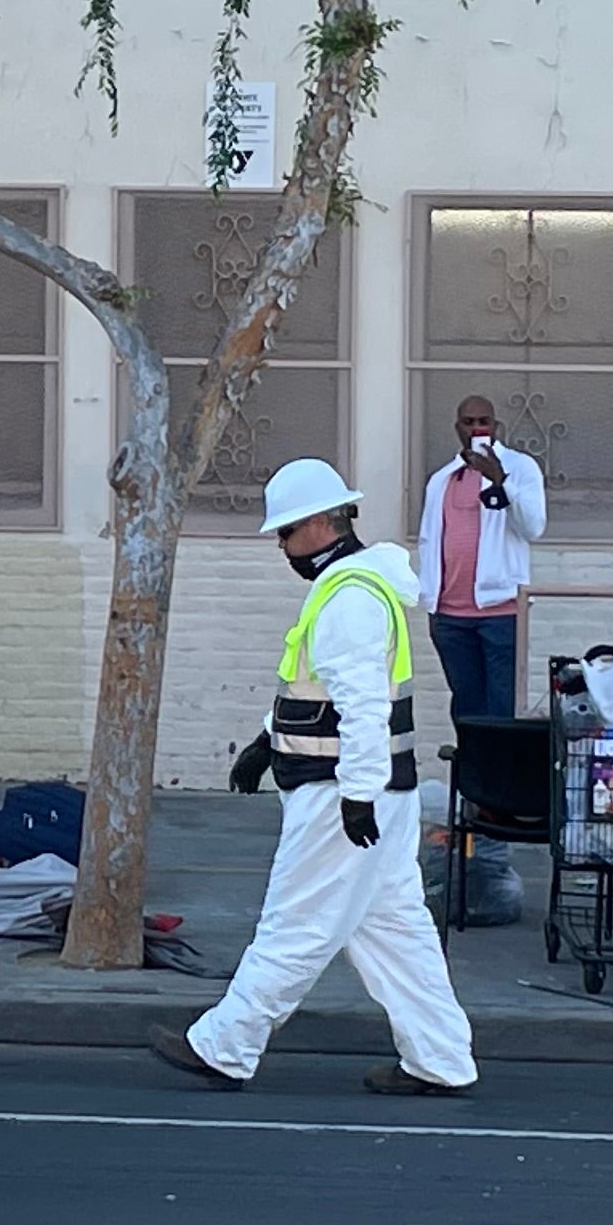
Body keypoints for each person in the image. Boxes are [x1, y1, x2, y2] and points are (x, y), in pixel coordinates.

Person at [156, 457, 478, 1099]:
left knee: (296, 922)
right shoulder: (354, 587)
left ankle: (225, 1045)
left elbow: (363, 710)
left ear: (325, 522)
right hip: (375, 793)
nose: (281, 545)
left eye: (286, 531)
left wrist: (356, 796)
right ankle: (441, 1059)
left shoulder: (349, 598)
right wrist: (264, 741)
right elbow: (321, 692)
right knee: (395, 930)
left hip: (343, 796)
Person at [415, 397, 549, 729]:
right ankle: (471, 782)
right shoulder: (443, 478)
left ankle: (501, 782)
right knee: (466, 708)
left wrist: (500, 480)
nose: (477, 428)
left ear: (496, 426)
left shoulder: (520, 467)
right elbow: (429, 539)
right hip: (449, 615)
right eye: (469, 422)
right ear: (457, 428)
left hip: (500, 611)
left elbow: (533, 527)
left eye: (484, 421)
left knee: (502, 709)